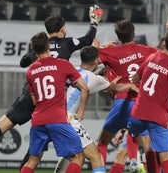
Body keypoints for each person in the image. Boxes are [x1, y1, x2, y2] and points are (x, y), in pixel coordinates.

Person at [0, 5, 103, 151]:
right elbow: (88, 38)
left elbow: (22, 63)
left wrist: (32, 54)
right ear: (62, 29)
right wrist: (93, 22)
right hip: (50, 101)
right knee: (38, 148)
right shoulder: (68, 44)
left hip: (30, 97)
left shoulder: (40, 47)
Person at [54, 45, 139, 173]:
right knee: (96, 157)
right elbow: (114, 88)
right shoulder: (93, 78)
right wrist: (129, 85)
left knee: (71, 155)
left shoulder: (71, 70)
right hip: (69, 119)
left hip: (54, 115)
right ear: (96, 61)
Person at [20, 31, 89, 173]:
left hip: (38, 120)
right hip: (57, 119)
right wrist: (80, 111)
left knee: (33, 160)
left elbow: (34, 100)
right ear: (48, 47)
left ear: (33, 50)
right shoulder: (63, 64)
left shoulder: (30, 71)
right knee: (78, 156)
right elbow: (84, 88)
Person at [127, 30, 168, 173]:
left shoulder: (151, 57)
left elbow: (135, 79)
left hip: (138, 113)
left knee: (132, 134)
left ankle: (133, 159)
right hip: (158, 117)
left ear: (164, 43)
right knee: (166, 157)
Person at [96, 19, 158, 172]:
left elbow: (89, 58)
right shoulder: (148, 50)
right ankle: (137, 163)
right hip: (142, 103)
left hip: (121, 102)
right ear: (134, 34)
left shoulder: (109, 52)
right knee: (147, 145)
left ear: (117, 36)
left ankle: (105, 169)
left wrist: (102, 48)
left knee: (102, 143)